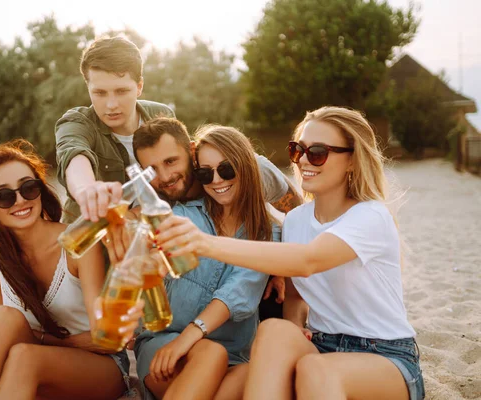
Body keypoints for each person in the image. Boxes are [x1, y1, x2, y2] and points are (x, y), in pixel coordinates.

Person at [154, 106, 425, 400]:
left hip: (384, 356)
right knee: (274, 331)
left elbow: (308, 261)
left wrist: (202, 243)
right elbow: (296, 295)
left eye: (318, 152)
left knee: (314, 369)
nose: (305, 160)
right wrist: (296, 325)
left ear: (352, 161)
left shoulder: (370, 215)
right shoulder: (295, 221)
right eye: (298, 150)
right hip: (320, 346)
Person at [0, 139, 142, 400]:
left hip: (100, 368)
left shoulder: (77, 242)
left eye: (28, 188)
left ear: (41, 191)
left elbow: (107, 339)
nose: (20, 200)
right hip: (36, 361)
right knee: (3, 318)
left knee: (25, 357)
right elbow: (6, 338)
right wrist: (64, 342)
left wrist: (59, 341)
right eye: (4, 196)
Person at [133, 125, 282, 400]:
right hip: (168, 342)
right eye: (205, 173)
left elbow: (240, 290)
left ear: (247, 167)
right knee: (211, 352)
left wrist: (285, 273)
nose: (216, 180)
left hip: (234, 355)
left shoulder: (267, 233)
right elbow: (160, 251)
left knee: (258, 372)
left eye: (226, 169)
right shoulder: (184, 215)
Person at [130, 117, 302, 319]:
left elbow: (297, 215)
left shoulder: (253, 171)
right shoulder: (154, 194)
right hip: (204, 273)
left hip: (253, 255)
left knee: (272, 302)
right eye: (152, 169)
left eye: (171, 161)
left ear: (191, 151)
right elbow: (134, 222)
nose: (166, 176)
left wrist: (281, 269)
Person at [55, 35, 175, 224]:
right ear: (88, 88)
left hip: (150, 235)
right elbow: (73, 154)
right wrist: (87, 190)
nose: (111, 105)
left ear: (139, 86)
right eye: (100, 93)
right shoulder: (76, 122)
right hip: (91, 240)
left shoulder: (162, 115)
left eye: (121, 91)